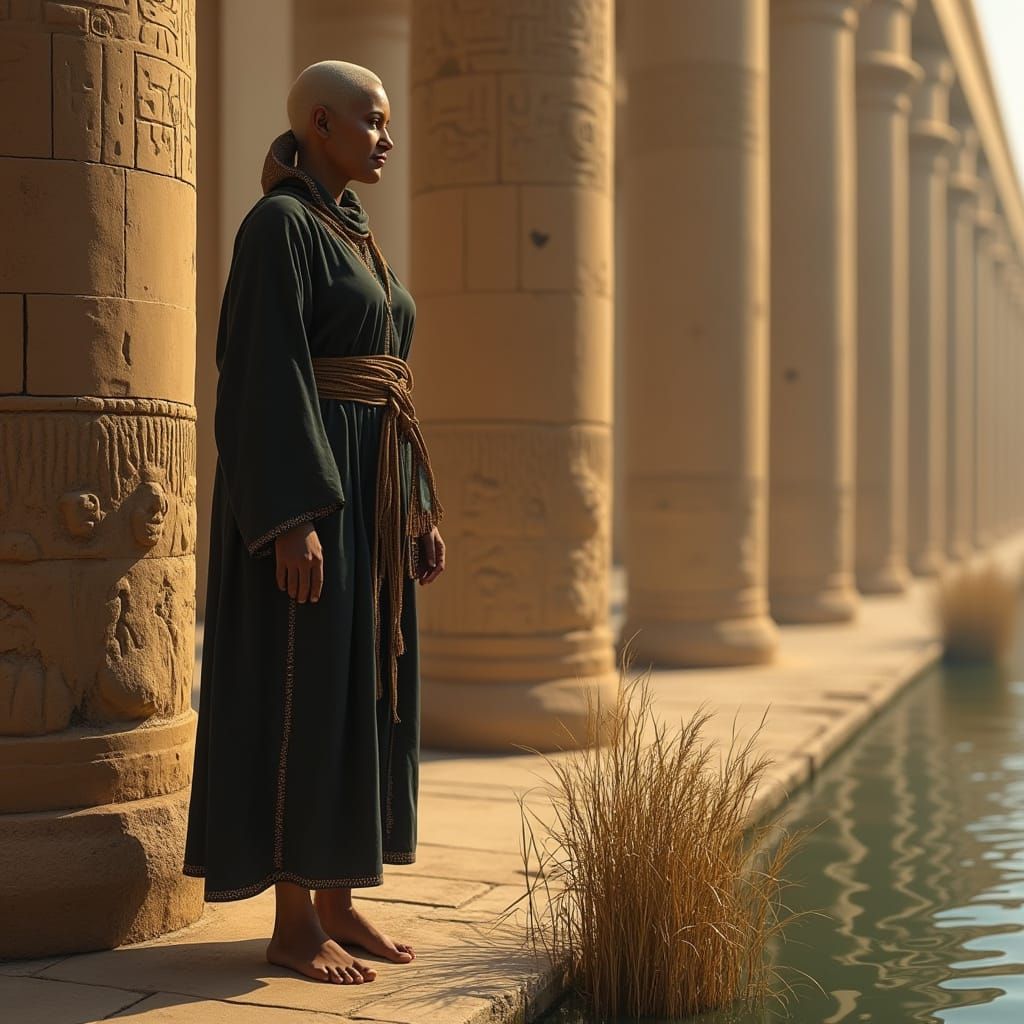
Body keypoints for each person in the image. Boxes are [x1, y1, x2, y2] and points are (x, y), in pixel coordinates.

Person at [182, 60, 445, 986]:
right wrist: (294, 517)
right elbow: (263, 375)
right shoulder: (279, 228)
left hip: (370, 493)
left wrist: (413, 506)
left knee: (363, 695)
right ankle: (293, 924)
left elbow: (387, 385)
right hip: (314, 499)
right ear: (321, 125)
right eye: (372, 123)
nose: (386, 137)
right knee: (303, 693)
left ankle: (339, 900)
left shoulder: (355, 235)